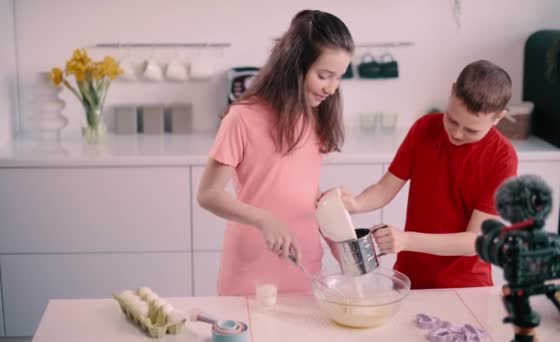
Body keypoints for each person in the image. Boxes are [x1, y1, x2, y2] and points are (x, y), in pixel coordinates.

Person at [197, 9, 354, 296]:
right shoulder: (242, 118)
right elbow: (208, 194)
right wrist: (264, 219)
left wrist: (333, 218)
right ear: (295, 65)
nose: (332, 88)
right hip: (249, 270)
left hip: (305, 266)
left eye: (339, 77)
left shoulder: (317, 116)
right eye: (324, 75)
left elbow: (301, 189)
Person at [339, 60, 518, 289]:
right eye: (452, 119)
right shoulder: (424, 129)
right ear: (452, 91)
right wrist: (355, 203)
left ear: (498, 118)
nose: (457, 133)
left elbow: (475, 239)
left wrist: (406, 240)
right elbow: (384, 189)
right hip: (411, 279)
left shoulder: (502, 158)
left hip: (467, 286)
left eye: (472, 130)